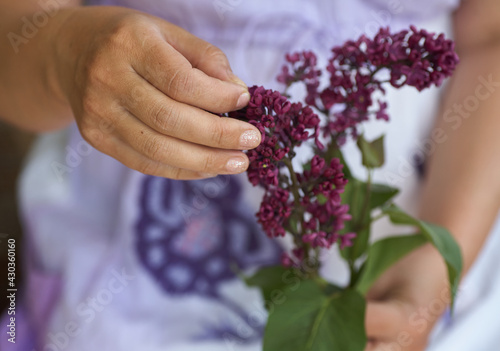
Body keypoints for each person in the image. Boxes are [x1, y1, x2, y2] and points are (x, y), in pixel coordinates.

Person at [0, 0, 499, 350]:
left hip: (420, 259)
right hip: (142, 280)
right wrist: (66, 53)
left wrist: (433, 267)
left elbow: (490, 38)